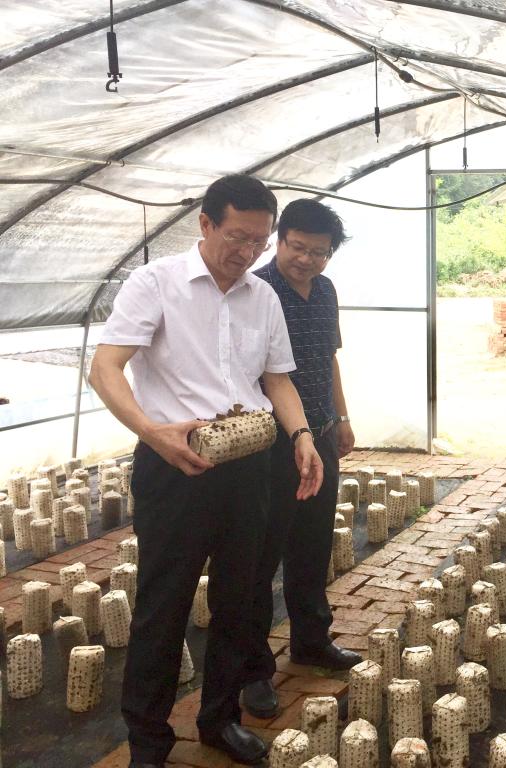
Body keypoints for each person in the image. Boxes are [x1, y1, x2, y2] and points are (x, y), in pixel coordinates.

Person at [89, 175, 324, 768]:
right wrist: (152, 431)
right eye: (237, 236)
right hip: (175, 465)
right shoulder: (156, 283)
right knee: (163, 606)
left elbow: (276, 379)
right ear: (206, 223)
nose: (247, 251)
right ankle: (148, 741)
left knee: (240, 601)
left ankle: (219, 720)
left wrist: (301, 436)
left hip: (249, 467)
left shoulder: (262, 297)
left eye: (259, 241)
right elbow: (106, 368)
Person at [241, 199, 362, 719]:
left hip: (322, 435)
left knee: (313, 545)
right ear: (279, 240)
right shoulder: (254, 291)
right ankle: (253, 670)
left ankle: (311, 641)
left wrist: (342, 416)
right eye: (298, 247)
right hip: (270, 444)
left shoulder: (326, 290)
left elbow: (328, 358)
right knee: (260, 556)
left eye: (319, 252)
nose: (307, 260)